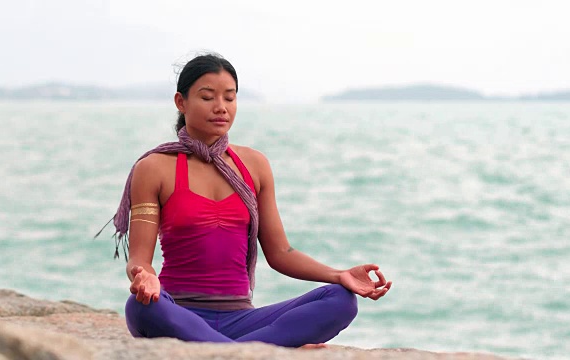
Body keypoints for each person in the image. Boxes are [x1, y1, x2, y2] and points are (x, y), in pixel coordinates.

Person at [108, 53, 392, 348]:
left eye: (229, 98)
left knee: (340, 299)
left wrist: (339, 274)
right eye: (207, 97)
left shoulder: (254, 165)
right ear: (181, 102)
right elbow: (140, 259)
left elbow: (280, 252)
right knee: (140, 306)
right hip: (179, 313)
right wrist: (145, 278)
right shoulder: (154, 168)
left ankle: (229, 350)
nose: (221, 108)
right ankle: (260, 348)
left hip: (241, 318)